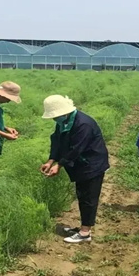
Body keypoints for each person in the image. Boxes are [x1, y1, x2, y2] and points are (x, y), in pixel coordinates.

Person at [39, 95, 109, 244]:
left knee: (89, 197)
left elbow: (76, 149)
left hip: (92, 164)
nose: (54, 119)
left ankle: (85, 233)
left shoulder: (83, 124)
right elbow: (57, 141)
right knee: (82, 195)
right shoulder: (63, 122)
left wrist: (59, 165)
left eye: (55, 116)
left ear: (64, 112)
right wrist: (51, 160)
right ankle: (83, 227)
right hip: (80, 164)